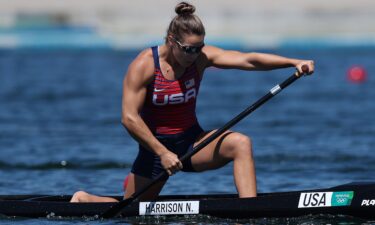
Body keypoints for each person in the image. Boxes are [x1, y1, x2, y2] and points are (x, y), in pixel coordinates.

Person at [70, 1, 314, 203]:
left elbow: (247, 59)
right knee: (131, 210)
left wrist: (293, 62)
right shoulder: (144, 65)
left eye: (200, 48)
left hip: (191, 143)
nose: (195, 55)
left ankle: (249, 211)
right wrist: (163, 153)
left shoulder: (199, 58)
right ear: (171, 40)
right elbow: (129, 118)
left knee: (241, 143)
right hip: (155, 149)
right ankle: (83, 199)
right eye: (189, 49)